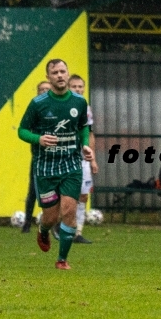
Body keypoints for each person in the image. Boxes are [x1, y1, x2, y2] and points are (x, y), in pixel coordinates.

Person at [18, 58, 93, 270]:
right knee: (50, 217)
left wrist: (85, 145)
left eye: (63, 71)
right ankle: (43, 230)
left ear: (68, 74)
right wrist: (38, 139)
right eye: (55, 73)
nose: (60, 75)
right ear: (48, 77)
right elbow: (22, 130)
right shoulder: (38, 104)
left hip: (71, 165)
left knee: (69, 210)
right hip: (46, 168)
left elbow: (83, 126)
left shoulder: (79, 102)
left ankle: (62, 260)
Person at [66, 74, 99, 243]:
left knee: (83, 195)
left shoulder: (86, 108)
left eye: (80, 86)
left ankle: (77, 232)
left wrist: (92, 158)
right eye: (74, 86)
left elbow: (90, 134)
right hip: (65, 157)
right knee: (66, 195)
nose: (78, 89)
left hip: (82, 158)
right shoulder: (64, 105)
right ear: (68, 87)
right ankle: (63, 227)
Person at [21, 81, 52, 233]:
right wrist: (38, 139)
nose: (44, 91)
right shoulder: (35, 109)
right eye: (42, 89)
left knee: (57, 192)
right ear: (37, 92)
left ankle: (56, 224)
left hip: (58, 158)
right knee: (33, 191)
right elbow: (23, 131)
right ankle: (27, 222)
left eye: (47, 89)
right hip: (39, 158)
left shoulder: (58, 108)